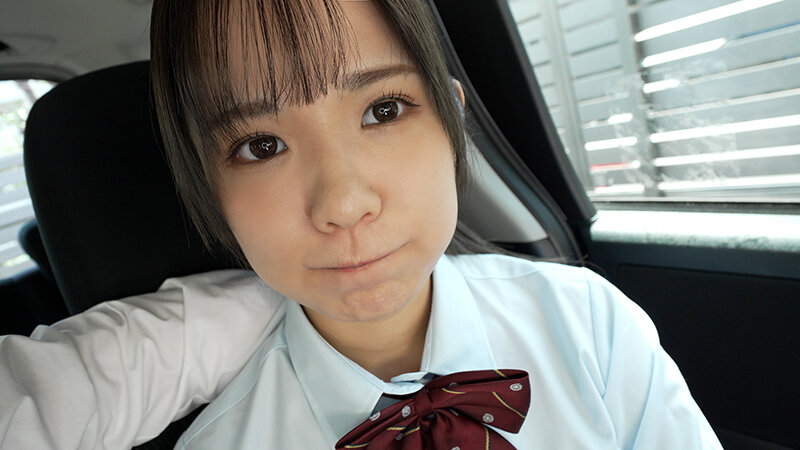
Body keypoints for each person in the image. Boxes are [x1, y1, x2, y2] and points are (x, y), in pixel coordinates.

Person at [0, 0, 723, 448]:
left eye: (383, 110)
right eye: (261, 147)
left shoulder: (591, 325)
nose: (343, 204)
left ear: (452, 128)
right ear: (211, 194)